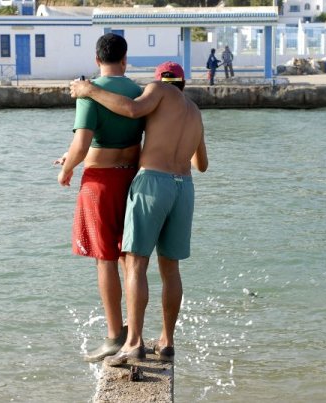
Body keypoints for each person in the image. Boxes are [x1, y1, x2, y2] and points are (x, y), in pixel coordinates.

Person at [70, 61, 208, 367]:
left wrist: (89, 89)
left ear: (160, 82)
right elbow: (202, 164)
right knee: (170, 268)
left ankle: (132, 343)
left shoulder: (157, 91)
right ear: (184, 84)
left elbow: (132, 110)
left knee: (134, 263)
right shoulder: (195, 111)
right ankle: (167, 342)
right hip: (183, 187)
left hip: (153, 183)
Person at [56, 33, 144, 362]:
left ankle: (114, 336)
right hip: (132, 179)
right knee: (129, 258)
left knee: (104, 258)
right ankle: (134, 333)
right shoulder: (138, 92)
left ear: (97, 60)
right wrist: (70, 156)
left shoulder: (88, 92)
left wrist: (67, 170)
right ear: (125, 59)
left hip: (100, 184)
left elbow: (83, 145)